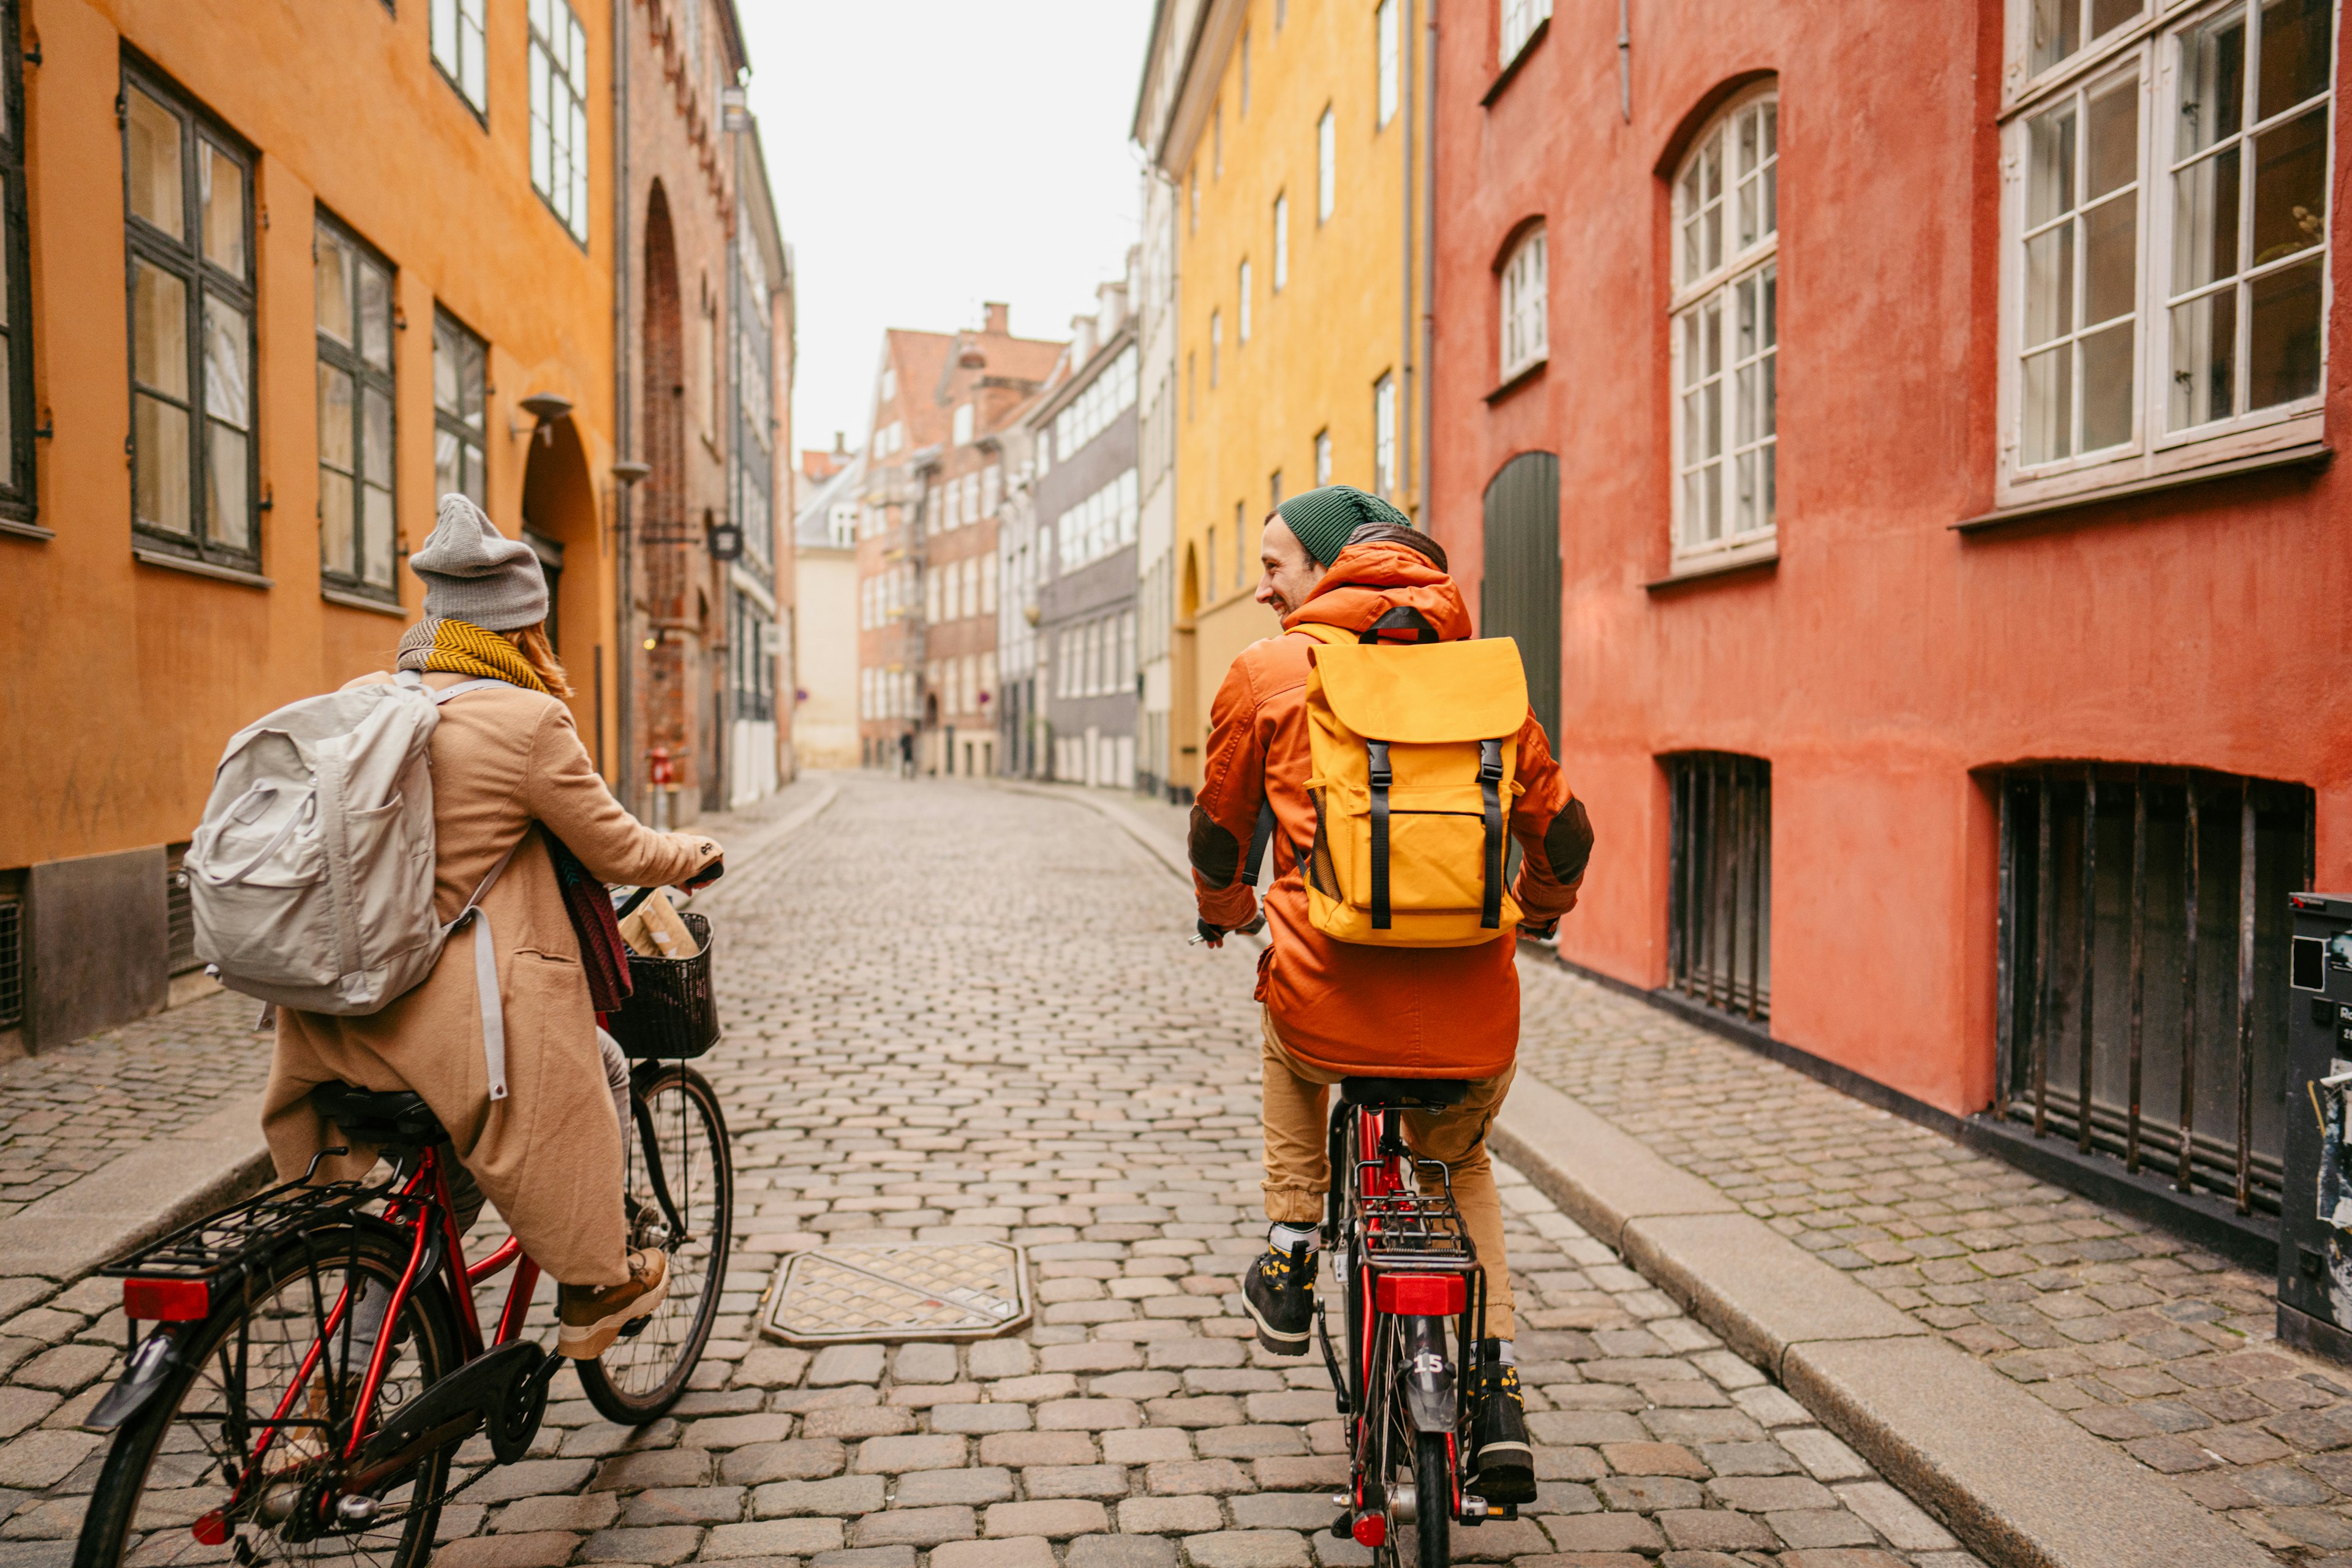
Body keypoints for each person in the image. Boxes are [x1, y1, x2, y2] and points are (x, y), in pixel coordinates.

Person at [1189, 484, 1592, 1507]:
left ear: (1330, 569)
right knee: (1459, 1162)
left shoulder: (1269, 672)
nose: (1262, 585)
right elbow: (1566, 833)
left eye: (1276, 564)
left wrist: (1226, 909)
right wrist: (1537, 911)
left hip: (1326, 1002)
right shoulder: (1485, 676)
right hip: (1469, 1012)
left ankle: (1289, 1247)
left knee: (1286, 1035)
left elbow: (1219, 830)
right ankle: (1495, 1384)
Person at [260, 494, 725, 1360]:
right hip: (455, 1034)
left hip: (334, 1023)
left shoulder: (366, 699)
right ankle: (597, 1278)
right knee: (611, 1064)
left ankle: (342, 1378)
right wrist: (693, 850)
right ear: (525, 629)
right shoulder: (526, 721)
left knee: (438, 1186)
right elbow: (619, 847)